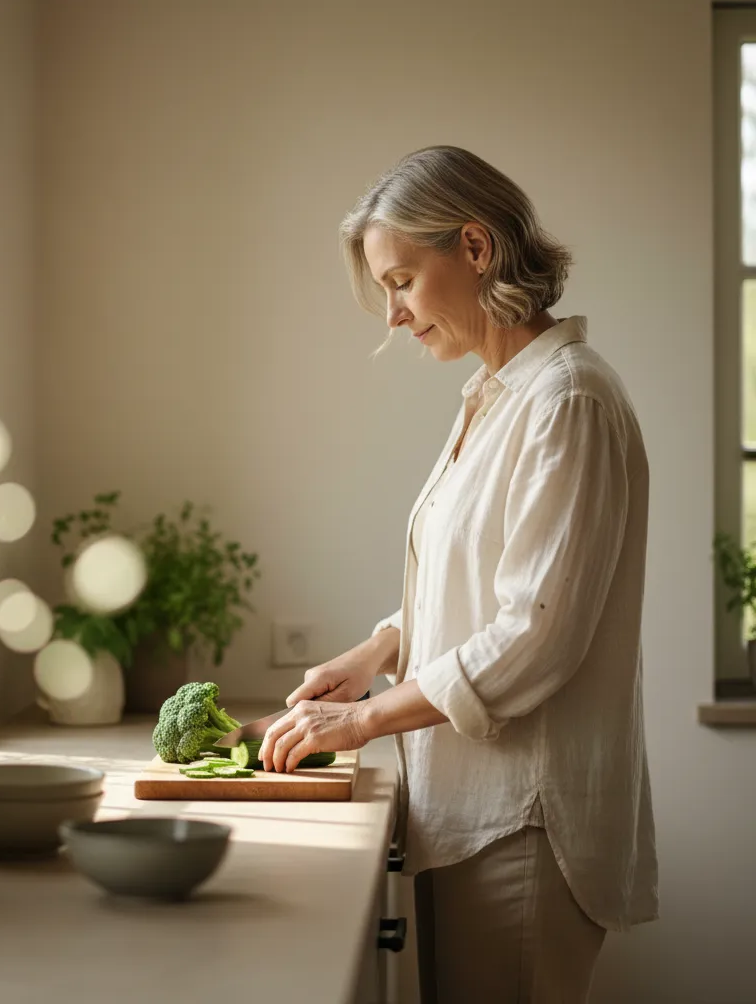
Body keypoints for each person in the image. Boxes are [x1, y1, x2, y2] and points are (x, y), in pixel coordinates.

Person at [257, 146, 658, 1003]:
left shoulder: (568, 400)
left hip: (524, 821)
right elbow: (478, 579)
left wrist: (359, 725)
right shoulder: (495, 397)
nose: (394, 316)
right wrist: (380, 649)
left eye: (401, 281)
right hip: (471, 812)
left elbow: (535, 636)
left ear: (475, 249)